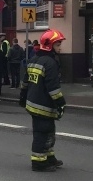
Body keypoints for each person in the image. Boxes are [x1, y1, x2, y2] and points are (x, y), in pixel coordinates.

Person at [19, 29, 67, 172]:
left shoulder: (34, 60)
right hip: (43, 104)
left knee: (48, 131)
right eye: (58, 45)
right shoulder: (50, 63)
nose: (60, 48)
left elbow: (25, 81)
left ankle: (49, 157)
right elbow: (53, 87)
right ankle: (39, 162)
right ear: (50, 45)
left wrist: (23, 96)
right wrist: (60, 102)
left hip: (33, 102)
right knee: (42, 133)